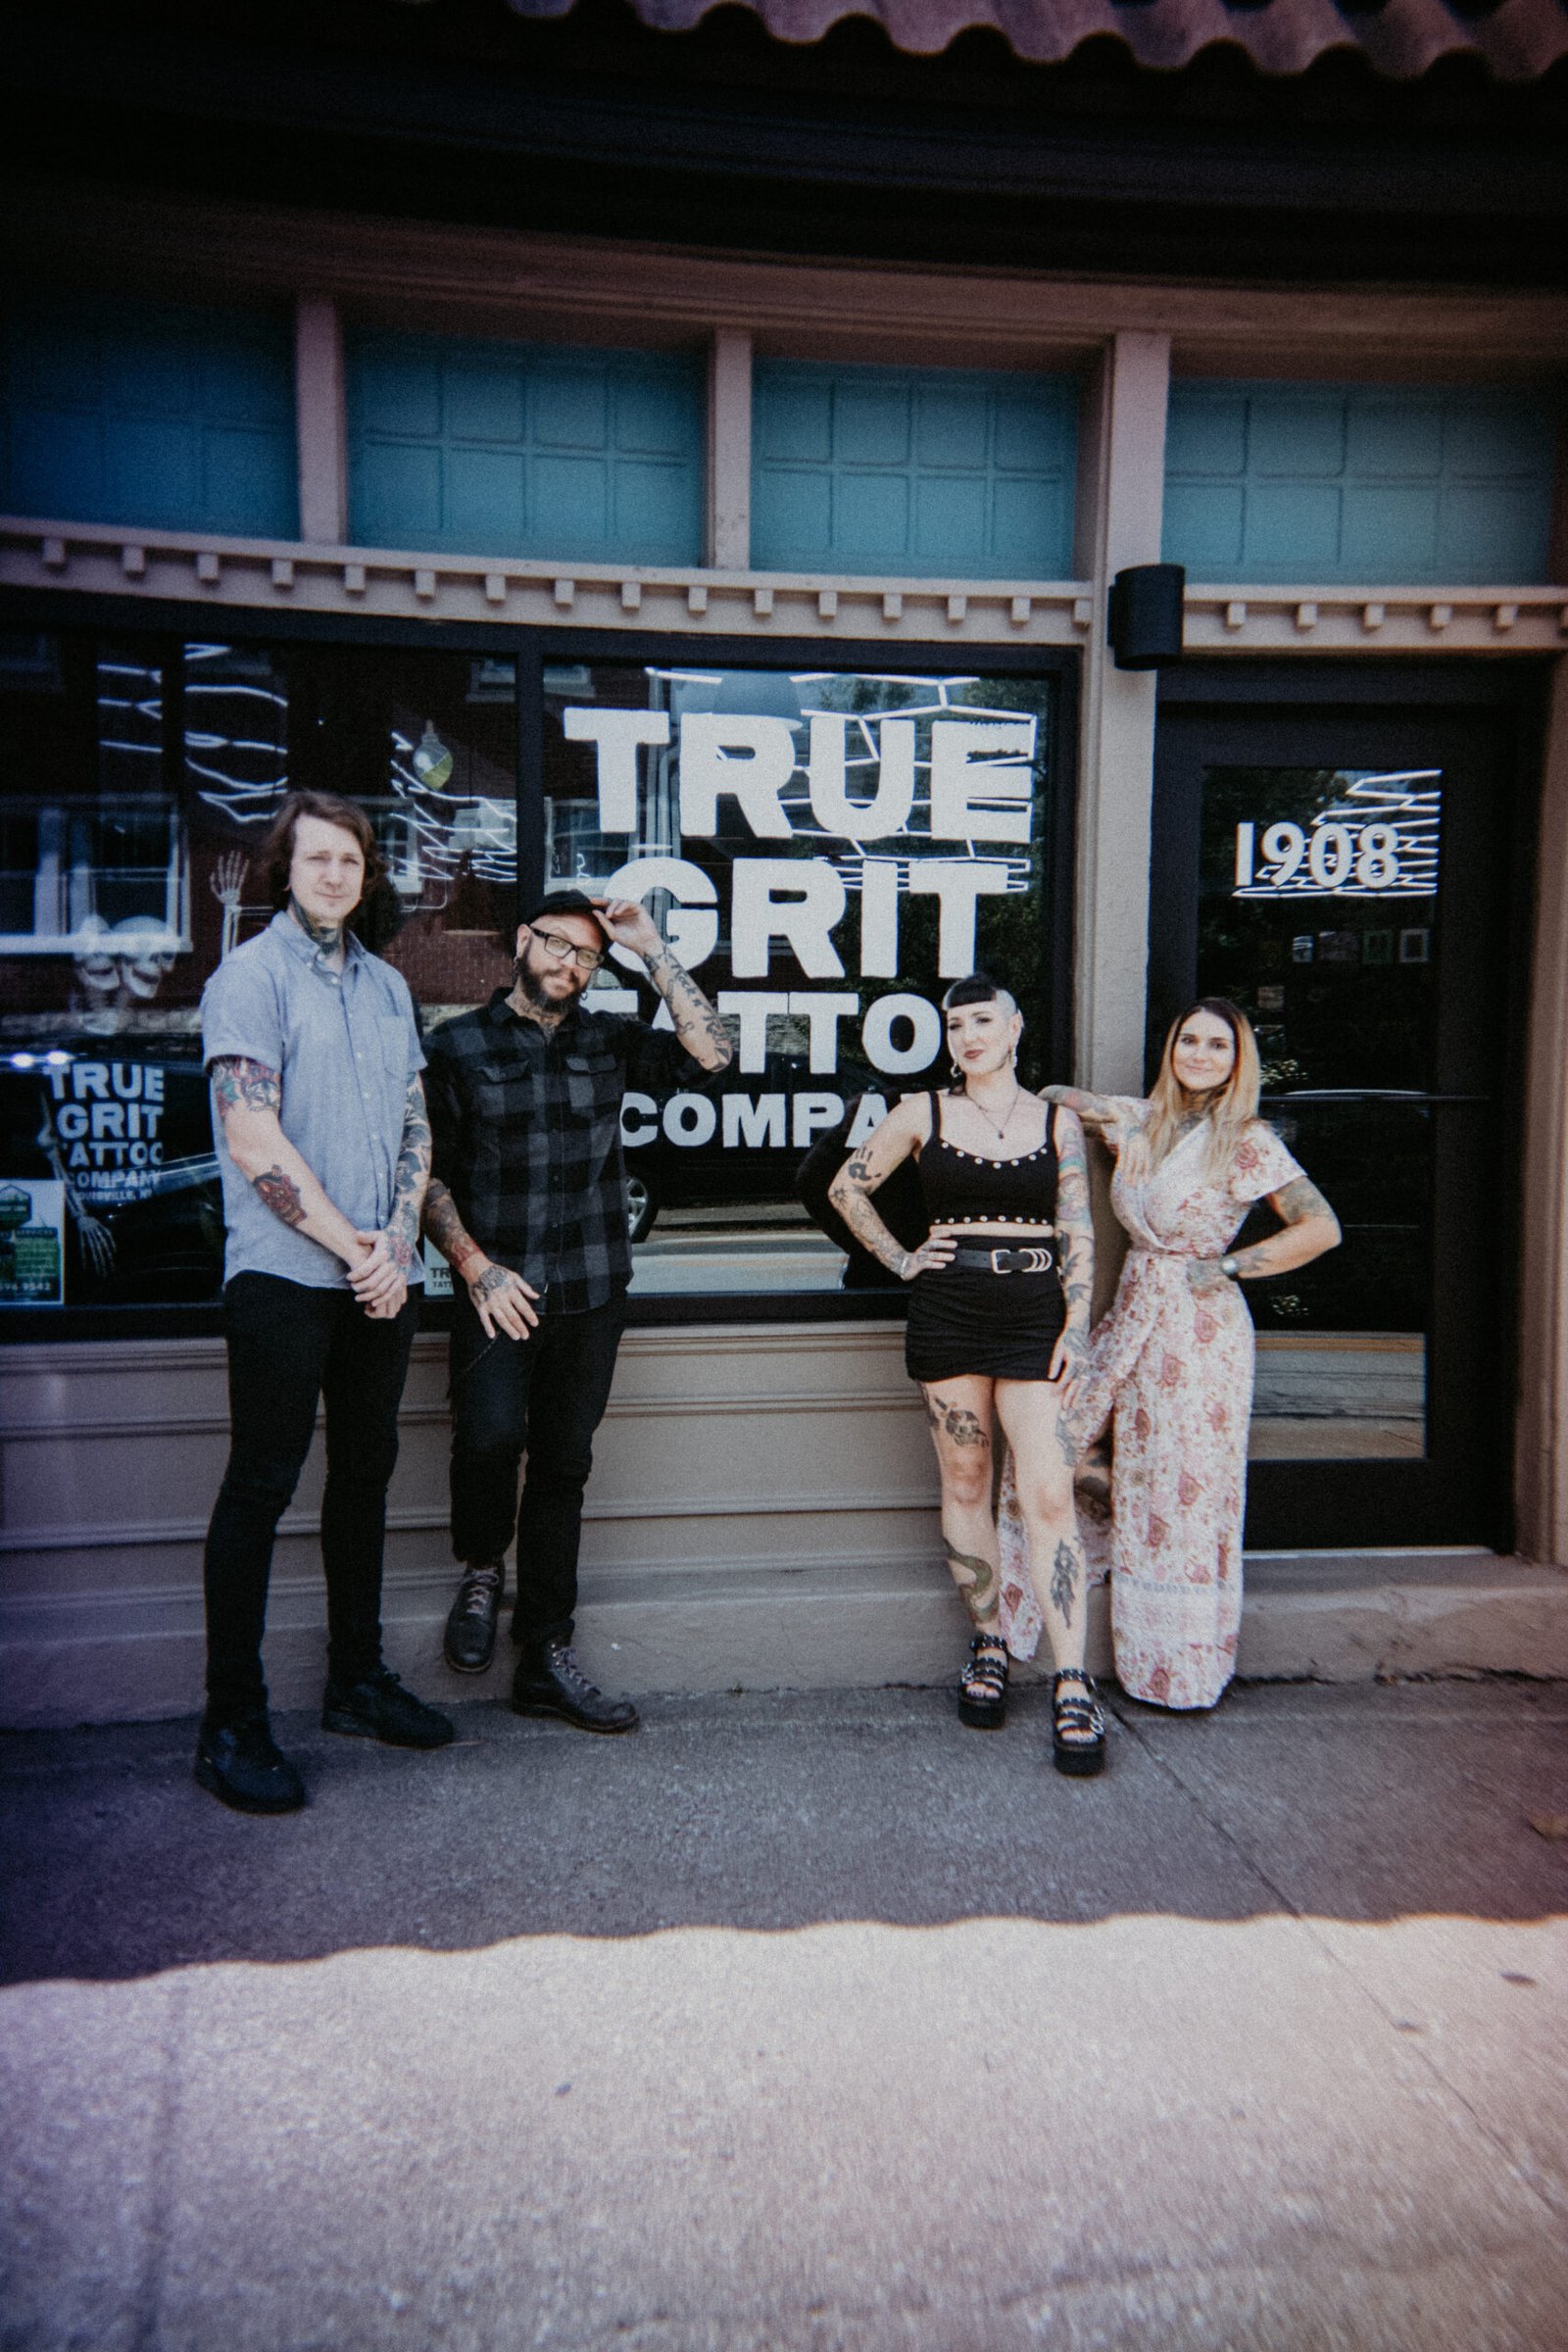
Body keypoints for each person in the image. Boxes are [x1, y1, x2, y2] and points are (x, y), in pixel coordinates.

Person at [195, 790, 453, 1815]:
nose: (335, 875)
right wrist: (358, 1250)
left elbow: (415, 1125)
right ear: (285, 869)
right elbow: (252, 1138)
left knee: (363, 1481)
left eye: (350, 860)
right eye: (317, 859)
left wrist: (396, 1240)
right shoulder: (248, 978)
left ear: (366, 873)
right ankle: (230, 1722)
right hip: (284, 1279)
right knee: (260, 1487)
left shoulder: (388, 986)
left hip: (382, 1276)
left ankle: (356, 1682)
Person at [421, 887, 733, 1729]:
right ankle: (482, 1566)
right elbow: (427, 1174)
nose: (572, 964)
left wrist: (650, 948)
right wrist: (476, 1269)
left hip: (592, 1288)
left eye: (589, 956)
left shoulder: (610, 1039)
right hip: (497, 1290)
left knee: (564, 1465)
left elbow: (713, 1056)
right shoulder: (457, 1045)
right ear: (523, 941)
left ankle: (545, 1653)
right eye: (559, 945)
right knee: (489, 1439)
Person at [827, 972, 1105, 1776]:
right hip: (949, 1311)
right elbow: (846, 1188)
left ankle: (1072, 1678)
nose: (969, 1037)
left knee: (1048, 1493)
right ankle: (988, 1644)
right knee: (966, 1480)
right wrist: (901, 1258)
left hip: (1035, 1317)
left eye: (984, 1021)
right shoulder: (924, 1112)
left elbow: (1077, 1226)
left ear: (1015, 1029)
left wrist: (1076, 1324)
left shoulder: (1056, 1121)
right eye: (957, 1027)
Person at [1036, 998, 1341, 1711]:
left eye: (1218, 1046)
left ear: (1238, 1062)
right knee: (1062, 1447)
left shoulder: (1247, 1140)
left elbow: (1320, 1227)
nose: (1200, 1055)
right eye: (1189, 1041)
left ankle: (1182, 1669)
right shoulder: (1142, 1118)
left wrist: (1228, 1266)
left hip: (1201, 1331)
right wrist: (1119, 1125)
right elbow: (1051, 1094)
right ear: (1171, 1049)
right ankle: (1133, 1577)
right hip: (1133, 1310)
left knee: (1186, 1490)